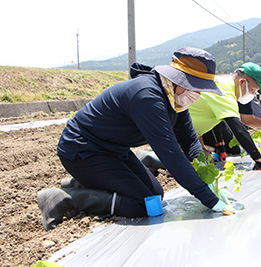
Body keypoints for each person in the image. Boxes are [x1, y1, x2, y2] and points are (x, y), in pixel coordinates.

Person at [37, 47, 235, 231]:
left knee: (155, 196)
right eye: (196, 88)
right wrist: (207, 198)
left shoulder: (175, 99)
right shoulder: (148, 97)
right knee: (141, 205)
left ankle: (85, 182)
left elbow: (190, 141)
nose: (198, 95)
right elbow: (170, 154)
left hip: (113, 150)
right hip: (83, 149)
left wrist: (208, 182)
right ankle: (64, 198)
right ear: (179, 81)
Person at [189, 62, 261, 170]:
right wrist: (259, 160)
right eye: (253, 90)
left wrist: (221, 147)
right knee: (197, 171)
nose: (252, 95)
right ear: (242, 82)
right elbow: (238, 129)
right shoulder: (224, 92)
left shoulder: (227, 87)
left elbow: (220, 122)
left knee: (207, 167)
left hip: (193, 135)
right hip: (180, 133)